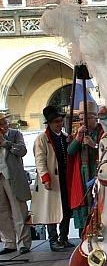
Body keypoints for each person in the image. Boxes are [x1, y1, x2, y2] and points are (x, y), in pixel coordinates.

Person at [32, 106, 71, 251]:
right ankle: (53, 240)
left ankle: (64, 238)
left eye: (60, 121)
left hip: (64, 179)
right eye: (56, 121)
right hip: (52, 180)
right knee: (51, 210)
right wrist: (45, 178)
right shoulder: (42, 139)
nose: (59, 124)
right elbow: (40, 160)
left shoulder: (64, 137)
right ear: (49, 123)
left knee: (66, 209)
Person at [67, 101, 103, 237]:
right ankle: (84, 233)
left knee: (96, 201)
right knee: (83, 201)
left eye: (87, 118)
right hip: (82, 173)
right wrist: (77, 139)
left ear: (94, 118)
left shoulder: (102, 131)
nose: (83, 122)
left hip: (96, 170)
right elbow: (70, 152)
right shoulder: (79, 133)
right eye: (81, 119)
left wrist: (94, 145)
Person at [0, 113, 32, 254]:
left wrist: (5, 143)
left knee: (19, 211)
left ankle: (24, 243)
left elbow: (22, 150)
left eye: (5, 122)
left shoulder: (15, 134)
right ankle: (9, 242)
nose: (5, 125)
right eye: (2, 123)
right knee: (2, 212)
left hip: (12, 178)